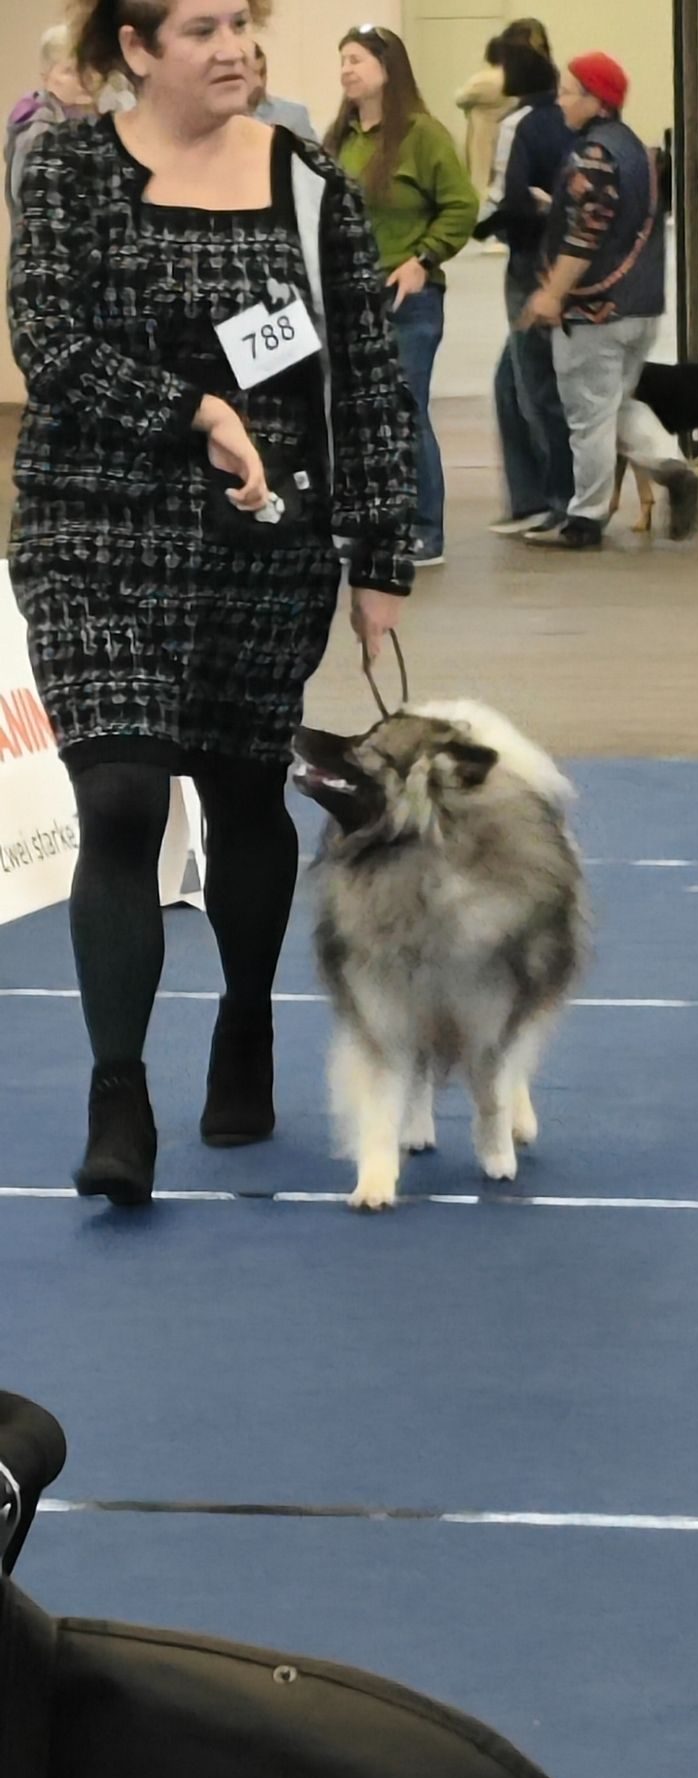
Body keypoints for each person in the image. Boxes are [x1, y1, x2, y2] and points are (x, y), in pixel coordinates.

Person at [7, 0, 416, 1208]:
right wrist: (195, 411)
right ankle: (118, 1097)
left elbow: (365, 375)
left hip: (263, 541)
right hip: (96, 526)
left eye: (241, 21)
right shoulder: (70, 170)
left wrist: (381, 554)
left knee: (244, 794)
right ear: (135, 49)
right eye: (201, 29)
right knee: (121, 797)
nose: (234, 46)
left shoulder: (310, 182)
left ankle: (246, 1023)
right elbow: (49, 343)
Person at [522, 51, 698, 550]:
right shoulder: (638, 151)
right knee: (613, 405)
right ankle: (673, 468)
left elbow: (586, 235)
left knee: (588, 419)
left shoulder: (594, 155)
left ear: (596, 100)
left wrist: (552, 293)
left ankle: (586, 518)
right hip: (641, 306)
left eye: (567, 92)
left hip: (594, 311)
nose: (560, 102)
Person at [326, 26, 478, 568]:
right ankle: (369, 524)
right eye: (343, 60)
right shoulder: (342, 139)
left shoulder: (422, 135)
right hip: (352, 297)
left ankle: (424, 528)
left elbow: (461, 206)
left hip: (407, 298)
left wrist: (423, 259)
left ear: (388, 69)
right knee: (358, 417)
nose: (346, 70)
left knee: (403, 409)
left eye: (357, 60)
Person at [473, 38, 573, 534]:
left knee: (536, 387)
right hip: (569, 260)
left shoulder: (519, 123)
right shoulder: (570, 120)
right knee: (512, 382)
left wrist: (482, 227)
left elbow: (506, 195)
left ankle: (558, 501)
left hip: (531, 263)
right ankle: (533, 497)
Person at [4, 24, 95, 219]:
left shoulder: (90, 118)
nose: (82, 78)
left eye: (86, 66)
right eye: (69, 71)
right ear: (46, 78)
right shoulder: (37, 130)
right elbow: (28, 206)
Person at [455, 36, 511, 203]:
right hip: (504, 133)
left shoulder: (485, 79)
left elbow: (460, 98)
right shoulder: (514, 80)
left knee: (479, 177)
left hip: (481, 133)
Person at [249, 42, 315, 144]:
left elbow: (312, 153)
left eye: (261, 73)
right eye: (251, 74)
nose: (259, 82)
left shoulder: (294, 115)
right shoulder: (224, 121)